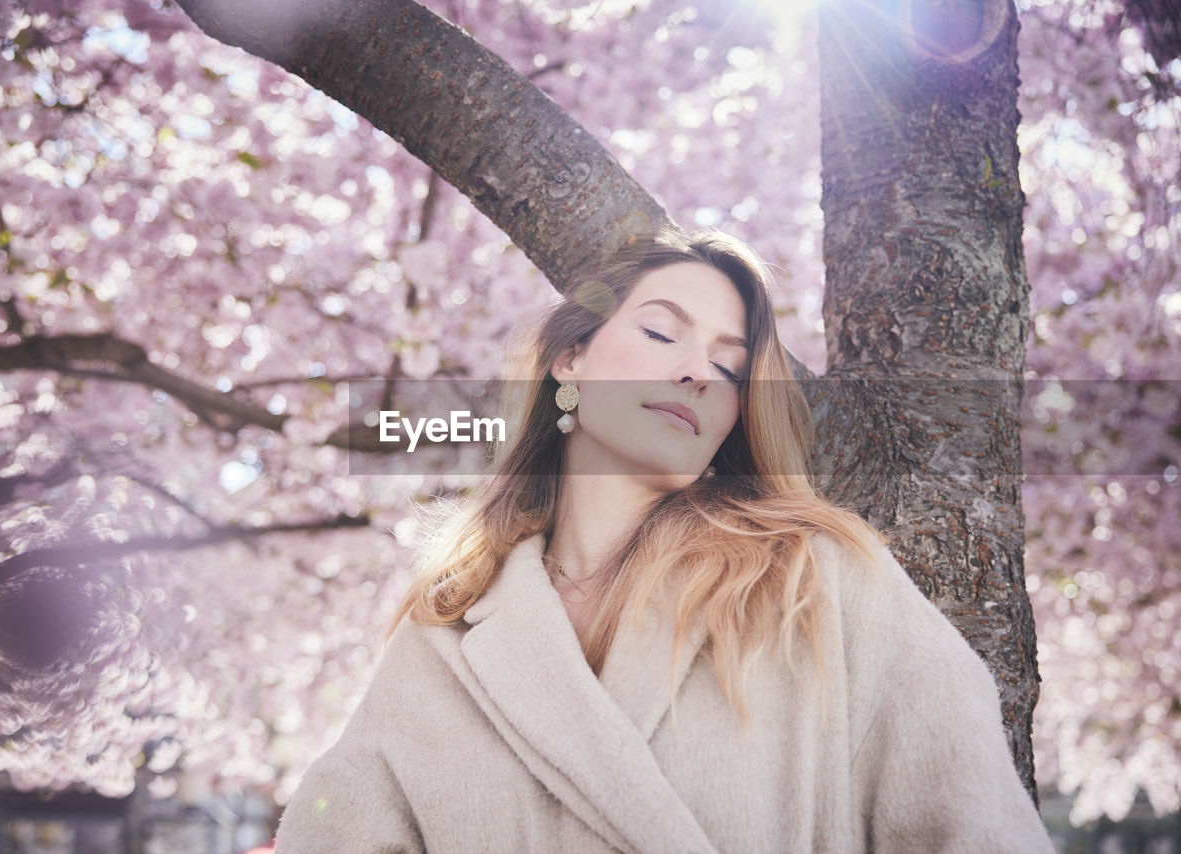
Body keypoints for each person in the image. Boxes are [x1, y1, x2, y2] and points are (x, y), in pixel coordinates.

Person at [274, 229, 1055, 853]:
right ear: (570, 359)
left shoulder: (816, 581)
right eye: (660, 333)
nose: (698, 373)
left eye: (729, 365)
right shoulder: (447, 629)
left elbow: (974, 825)